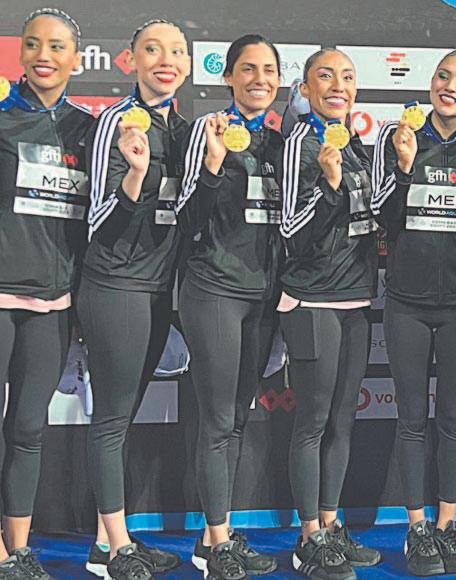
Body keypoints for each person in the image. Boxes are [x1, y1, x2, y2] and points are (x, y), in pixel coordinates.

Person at [371, 48, 456, 576]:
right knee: (411, 419)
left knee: (453, 417)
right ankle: (417, 527)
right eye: (444, 76)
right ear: (431, 83)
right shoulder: (397, 138)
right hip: (406, 304)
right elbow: (382, 218)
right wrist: (404, 168)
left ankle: (448, 525)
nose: (451, 86)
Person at [78, 19, 189, 580]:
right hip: (114, 284)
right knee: (112, 419)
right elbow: (99, 218)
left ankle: (106, 544)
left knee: (123, 417)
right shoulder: (115, 123)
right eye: (153, 49)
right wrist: (136, 173)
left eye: (176, 51)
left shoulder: (188, 131)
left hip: (158, 291)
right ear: (132, 60)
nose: (166, 60)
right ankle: (118, 547)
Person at [176, 34, 283, 580]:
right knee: (218, 420)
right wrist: (214, 166)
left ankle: (214, 534)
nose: (259, 79)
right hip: (214, 289)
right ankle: (217, 545)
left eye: (268, 70)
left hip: (263, 296)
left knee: (238, 418)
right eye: (248, 69)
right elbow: (186, 219)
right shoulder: (207, 132)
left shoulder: (283, 142)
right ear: (228, 76)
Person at [278, 48, 382, 580]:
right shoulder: (299, 142)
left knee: (343, 419)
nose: (338, 85)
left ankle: (330, 522)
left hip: (357, 299)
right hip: (312, 300)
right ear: (306, 88)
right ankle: (308, 538)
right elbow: (290, 230)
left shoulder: (355, 143)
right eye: (326, 76)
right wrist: (327, 183)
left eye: (347, 76)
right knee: (314, 421)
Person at [0, 9, 94, 579]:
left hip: (54, 304)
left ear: (75, 59)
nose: (44, 55)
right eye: (33, 44)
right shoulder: (1, 116)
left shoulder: (88, 129)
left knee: (28, 430)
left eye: (57, 46)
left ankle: (18, 548)